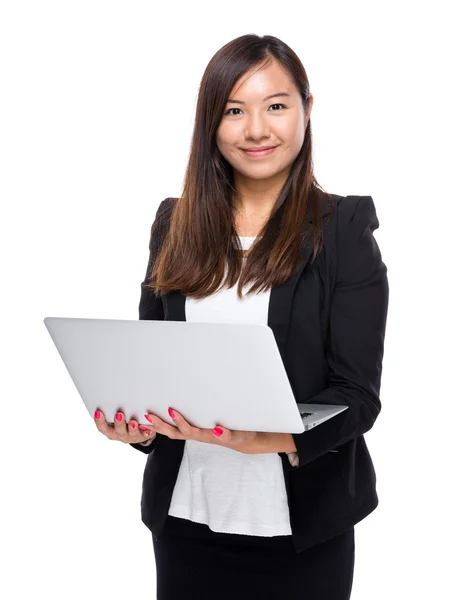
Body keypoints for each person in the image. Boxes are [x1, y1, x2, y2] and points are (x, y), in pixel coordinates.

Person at [94, 33, 389, 600]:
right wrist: (134, 427)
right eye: (234, 110)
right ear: (211, 122)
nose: (257, 130)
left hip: (301, 532)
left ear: (307, 107)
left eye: (276, 106)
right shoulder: (173, 224)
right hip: (185, 521)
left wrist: (270, 438)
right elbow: (152, 365)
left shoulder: (343, 230)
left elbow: (358, 398)